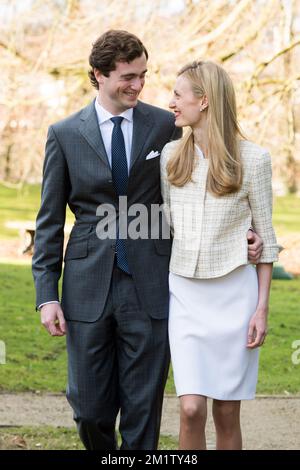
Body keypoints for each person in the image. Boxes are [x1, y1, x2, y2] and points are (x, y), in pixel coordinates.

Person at [32, 30, 262, 451]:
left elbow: (206, 180)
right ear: (98, 76)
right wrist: (47, 294)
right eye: (127, 77)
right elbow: (48, 221)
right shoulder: (64, 134)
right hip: (86, 285)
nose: (138, 85)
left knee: (143, 407)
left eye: (143, 75)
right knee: (88, 408)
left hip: (153, 282)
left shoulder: (165, 124)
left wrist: (237, 234)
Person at [160, 60, 279, 450]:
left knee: (226, 412)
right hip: (186, 295)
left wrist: (261, 309)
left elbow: (267, 239)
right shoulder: (170, 157)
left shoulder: (255, 160)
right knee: (191, 407)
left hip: (235, 298)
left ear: (205, 100)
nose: (172, 103)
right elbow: (165, 228)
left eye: (178, 95)